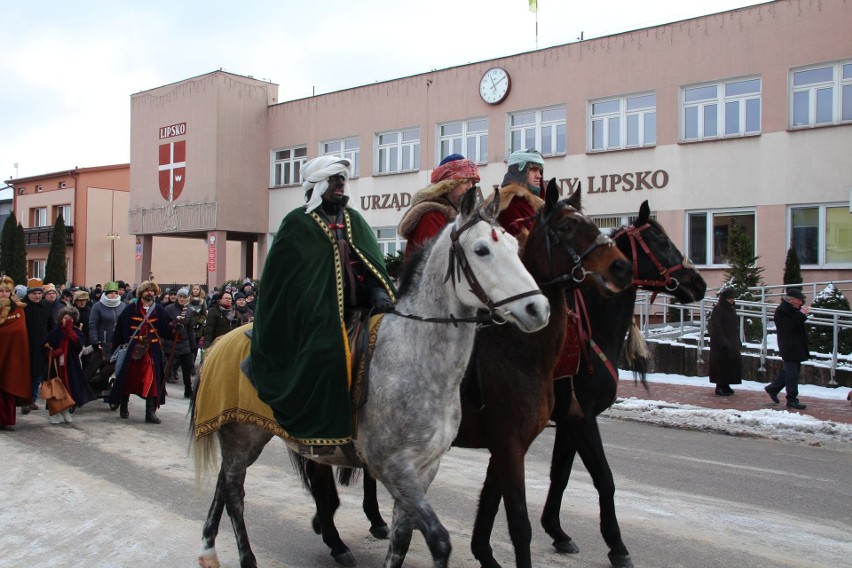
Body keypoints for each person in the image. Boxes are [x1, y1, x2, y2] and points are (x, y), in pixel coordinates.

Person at [251, 155, 396, 448]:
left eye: (342, 179)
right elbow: (285, 283)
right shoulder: (297, 223)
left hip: (362, 308)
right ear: (317, 185)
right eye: (333, 179)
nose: (340, 184)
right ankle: (323, 429)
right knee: (326, 352)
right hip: (315, 313)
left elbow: (369, 262)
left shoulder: (354, 219)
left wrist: (378, 289)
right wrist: (318, 306)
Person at [108, 280, 175, 424]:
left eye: (152, 291)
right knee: (127, 379)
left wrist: (176, 330)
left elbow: (167, 330)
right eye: (147, 290)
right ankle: (124, 405)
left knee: (152, 382)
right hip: (132, 351)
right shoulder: (130, 309)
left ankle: (150, 413)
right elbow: (120, 329)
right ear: (141, 293)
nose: (149, 293)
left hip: (151, 352)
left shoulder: (159, 310)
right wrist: (115, 346)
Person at [398, 153, 480, 258]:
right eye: (465, 181)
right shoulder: (431, 216)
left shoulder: (460, 215)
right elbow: (432, 263)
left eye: (473, 183)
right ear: (448, 184)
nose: (470, 187)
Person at [42, 306, 95, 424]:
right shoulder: (56, 331)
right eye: (66, 318)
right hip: (55, 366)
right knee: (55, 389)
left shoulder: (76, 332)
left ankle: (65, 410)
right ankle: (54, 413)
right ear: (60, 319)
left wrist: (71, 331)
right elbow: (44, 345)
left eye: (70, 318)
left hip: (71, 366)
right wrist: (54, 352)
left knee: (69, 388)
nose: (68, 320)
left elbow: (78, 345)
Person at [765, 288, 811, 410]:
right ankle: (791, 399)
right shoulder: (782, 310)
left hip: (796, 345)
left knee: (792, 371)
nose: (801, 303)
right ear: (792, 300)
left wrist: (800, 314)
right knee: (792, 373)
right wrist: (801, 314)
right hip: (789, 346)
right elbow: (789, 327)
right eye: (799, 300)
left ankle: (773, 388)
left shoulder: (792, 309)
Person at [0, 277, 31, 431]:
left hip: (12, 355)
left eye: (7, 291)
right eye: (1, 291)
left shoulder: (18, 310)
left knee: (8, 387)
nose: (4, 294)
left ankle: (7, 420)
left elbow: (19, 331)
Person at [494, 148, 545, 236]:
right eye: (533, 170)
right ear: (519, 173)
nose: (539, 176)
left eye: (540, 171)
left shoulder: (538, 205)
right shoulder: (507, 204)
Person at [23, 285, 54, 414]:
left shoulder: (46, 306)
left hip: (41, 346)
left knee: (37, 374)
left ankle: (32, 399)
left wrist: (51, 341)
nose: (37, 296)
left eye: (39, 293)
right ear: (28, 294)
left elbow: (51, 325)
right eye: (34, 293)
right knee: (26, 374)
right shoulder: (23, 307)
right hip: (25, 345)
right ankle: (25, 400)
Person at [162, 288, 195, 398]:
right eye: (180, 296)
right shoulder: (169, 309)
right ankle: (162, 388)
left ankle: (188, 388)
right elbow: (164, 325)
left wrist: (193, 344)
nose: (182, 299)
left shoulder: (189, 310)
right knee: (166, 366)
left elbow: (190, 329)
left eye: (184, 297)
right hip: (170, 340)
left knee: (187, 366)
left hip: (184, 341)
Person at [708, 287, 743, 396]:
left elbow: (734, 326)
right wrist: (722, 341)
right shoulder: (719, 308)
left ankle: (726, 384)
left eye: (733, 298)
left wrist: (738, 340)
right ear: (725, 298)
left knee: (730, 364)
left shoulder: (731, 308)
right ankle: (720, 386)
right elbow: (717, 326)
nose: (732, 300)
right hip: (721, 342)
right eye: (730, 298)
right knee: (721, 364)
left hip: (732, 340)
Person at [88, 281, 126, 359]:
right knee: (105, 365)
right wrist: (95, 341)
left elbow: (125, 323)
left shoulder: (122, 305)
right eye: (111, 293)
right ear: (105, 294)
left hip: (118, 341)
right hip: (103, 341)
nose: (113, 295)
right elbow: (93, 325)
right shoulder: (97, 306)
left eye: (115, 293)